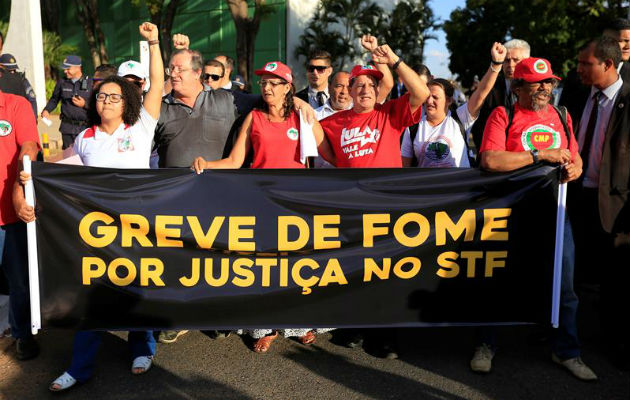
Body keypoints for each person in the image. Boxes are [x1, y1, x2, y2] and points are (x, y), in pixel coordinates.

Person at [35, 22, 164, 392]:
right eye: (102, 96)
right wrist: (31, 173)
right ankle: (79, 367)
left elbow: (156, 82)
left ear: (127, 102)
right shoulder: (87, 137)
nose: (105, 101)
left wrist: (153, 43)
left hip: (137, 227)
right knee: (89, 297)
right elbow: (59, 166)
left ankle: (143, 349)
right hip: (97, 232)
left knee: (137, 290)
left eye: (113, 97)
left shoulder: (140, 127)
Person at [192, 60, 335, 352]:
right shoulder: (254, 117)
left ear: (287, 87)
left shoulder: (301, 117)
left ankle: (298, 325)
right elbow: (234, 161)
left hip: (296, 204)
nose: (267, 88)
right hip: (260, 202)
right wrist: (206, 165)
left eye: (274, 83)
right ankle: (266, 326)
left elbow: (329, 154)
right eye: (264, 83)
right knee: (266, 266)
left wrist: (308, 114)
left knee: (297, 266)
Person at [476, 57, 597, 381]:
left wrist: (577, 168)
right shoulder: (504, 114)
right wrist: (539, 155)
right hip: (511, 214)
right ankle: (487, 344)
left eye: (549, 82)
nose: (545, 88)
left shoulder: (562, 115)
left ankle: (567, 350)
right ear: (518, 87)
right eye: (536, 82)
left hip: (556, 214)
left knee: (565, 286)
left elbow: (575, 155)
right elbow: (490, 159)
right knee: (499, 282)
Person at [570, 36, 630, 370]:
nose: (578, 69)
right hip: (578, 197)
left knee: (617, 280)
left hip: (616, 207)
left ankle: (617, 343)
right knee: (575, 271)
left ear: (608, 65)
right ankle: (568, 332)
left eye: (585, 64)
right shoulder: (578, 95)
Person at [319, 43, 429, 168]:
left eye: (372, 85)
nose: (366, 90)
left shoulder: (389, 114)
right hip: (352, 187)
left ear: (377, 91)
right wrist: (300, 103)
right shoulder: (333, 122)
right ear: (350, 91)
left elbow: (422, 93)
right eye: (360, 85)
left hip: (386, 187)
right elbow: (311, 129)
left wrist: (394, 60)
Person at [402, 42, 506, 168]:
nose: (429, 101)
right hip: (426, 187)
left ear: (449, 100)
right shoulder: (412, 127)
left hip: (459, 186)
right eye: (427, 97)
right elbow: (405, 170)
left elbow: (480, 94)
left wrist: (495, 65)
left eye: (435, 97)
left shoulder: (461, 118)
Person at [0, 89, 40, 361]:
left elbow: (29, 148)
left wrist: (19, 188)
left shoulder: (15, 105)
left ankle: (22, 334)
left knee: (19, 281)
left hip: (9, 214)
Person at [470, 39, 531, 154]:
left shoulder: (535, 91)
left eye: (516, 60)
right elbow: (479, 125)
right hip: (493, 155)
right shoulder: (489, 87)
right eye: (507, 60)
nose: (510, 65)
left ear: (526, 62)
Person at [42, 55, 93, 149]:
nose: (65, 71)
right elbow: (54, 99)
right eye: (64, 69)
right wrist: (47, 110)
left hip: (85, 128)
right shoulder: (62, 82)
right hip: (67, 129)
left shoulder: (90, 83)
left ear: (78, 67)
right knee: (68, 159)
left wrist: (84, 104)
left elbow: (96, 105)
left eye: (68, 68)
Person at [0, 53, 37, 118]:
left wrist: (33, 118)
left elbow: (32, 100)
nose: (12, 73)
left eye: (14, 70)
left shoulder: (22, 80)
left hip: (19, 116)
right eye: (9, 70)